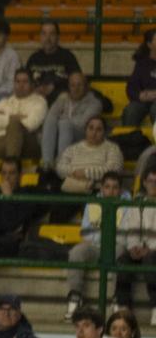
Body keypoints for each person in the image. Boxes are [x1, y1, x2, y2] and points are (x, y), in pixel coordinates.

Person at [65, 172, 126, 319]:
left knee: (123, 253)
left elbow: (125, 233)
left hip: (117, 246)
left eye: (115, 187)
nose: (111, 191)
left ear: (120, 190)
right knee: (77, 251)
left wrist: (105, 236)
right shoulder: (91, 204)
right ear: (101, 189)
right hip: (95, 246)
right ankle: (75, 296)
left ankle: (118, 299)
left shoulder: (127, 205)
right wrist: (101, 237)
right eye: (107, 187)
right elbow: (86, 233)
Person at [0, 69, 48, 167]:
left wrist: (5, 117)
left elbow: (31, 124)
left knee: (14, 126)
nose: (21, 85)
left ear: (32, 84)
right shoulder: (5, 102)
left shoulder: (40, 102)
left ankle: (9, 166)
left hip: (30, 143)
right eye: (18, 82)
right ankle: (12, 165)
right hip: (6, 141)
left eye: (25, 81)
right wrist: (16, 117)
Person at [115, 166, 156, 320]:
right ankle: (123, 307)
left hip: (153, 251)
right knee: (123, 259)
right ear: (144, 182)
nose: (153, 184)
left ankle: (155, 307)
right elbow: (130, 229)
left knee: (151, 260)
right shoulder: (137, 203)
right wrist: (133, 247)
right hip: (140, 248)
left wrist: (150, 249)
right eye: (150, 181)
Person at [42, 72, 102, 173]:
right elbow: (51, 116)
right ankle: (47, 163)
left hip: (81, 136)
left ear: (87, 87)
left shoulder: (94, 103)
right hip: (59, 136)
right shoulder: (63, 98)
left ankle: (61, 165)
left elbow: (82, 124)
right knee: (51, 120)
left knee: (64, 124)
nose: (76, 88)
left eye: (79, 85)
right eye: (73, 85)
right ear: (68, 87)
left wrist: (63, 119)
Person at [55, 116, 123, 195]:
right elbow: (60, 168)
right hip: (71, 189)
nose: (94, 133)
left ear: (104, 132)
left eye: (99, 129)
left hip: (98, 191)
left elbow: (114, 170)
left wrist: (86, 173)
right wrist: (74, 172)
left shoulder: (112, 148)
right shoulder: (72, 149)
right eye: (91, 128)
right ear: (85, 130)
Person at [27, 22, 81, 102]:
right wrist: (35, 88)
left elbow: (77, 81)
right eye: (44, 34)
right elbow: (25, 81)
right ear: (40, 37)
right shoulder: (33, 58)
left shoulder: (68, 57)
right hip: (36, 100)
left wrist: (54, 86)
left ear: (58, 37)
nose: (47, 38)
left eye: (52, 34)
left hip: (61, 101)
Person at [123, 29, 156, 127]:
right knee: (131, 111)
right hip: (145, 100)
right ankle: (130, 139)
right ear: (149, 45)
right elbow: (131, 88)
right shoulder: (141, 63)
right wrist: (140, 95)